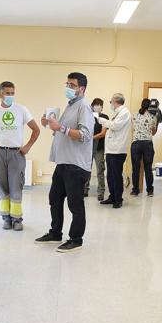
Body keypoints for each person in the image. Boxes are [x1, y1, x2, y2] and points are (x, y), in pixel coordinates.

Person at [35, 72, 94, 253]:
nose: (68, 87)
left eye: (72, 85)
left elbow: (84, 135)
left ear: (81, 88)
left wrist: (60, 127)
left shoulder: (83, 107)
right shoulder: (70, 106)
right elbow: (64, 132)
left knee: (75, 204)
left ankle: (76, 239)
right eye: (67, 84)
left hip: (75, 165)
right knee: (55, 198)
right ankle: (55, 232)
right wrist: (50, 124)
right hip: (63, 162)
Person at [0, 81, 40, 231]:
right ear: (0, 94)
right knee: (2, 186)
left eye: (12, 93)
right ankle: (6, 218)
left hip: (16, 153)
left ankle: (17, 219)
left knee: (16, 186)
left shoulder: (21, 110)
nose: (10, 96)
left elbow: (36, 130)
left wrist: (28, 146)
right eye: (7, 93)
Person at [98, 93, 131, 208]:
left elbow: (115, 126)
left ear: (116, 101)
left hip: (118, 150)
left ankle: (118, 199)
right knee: (110, 175)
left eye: (111, 101)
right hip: (112, 149)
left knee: (116, 175)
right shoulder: (118, 113)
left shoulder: (125, 112)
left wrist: (102, 120)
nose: (110, 104)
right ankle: (112, 196)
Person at [130, 98, 159, 197]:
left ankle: (135, 190)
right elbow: (153, 133)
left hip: (136, 143)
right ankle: (150, 191)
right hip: (147, 144)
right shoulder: (153, 117)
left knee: (135, 168)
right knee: (148, 168)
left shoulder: (134, 115)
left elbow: (133, 128)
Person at [84, 98, 108, 201]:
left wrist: (91, 138)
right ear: (92, 106)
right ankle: (84, 190)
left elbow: (103, 133)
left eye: (100, 105)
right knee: (86, 169)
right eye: (96, 105)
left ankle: (101, 192)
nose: (98, 106)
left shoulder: (104, 117)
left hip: (99, 147)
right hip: (87, 147)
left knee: (100, 170)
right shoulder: (88, 116)